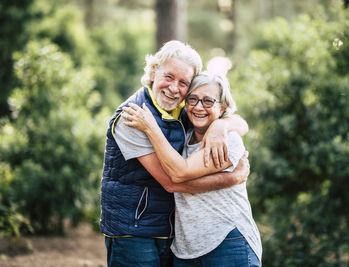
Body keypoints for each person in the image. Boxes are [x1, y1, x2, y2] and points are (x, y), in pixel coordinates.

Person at [100, 40, 250, 267]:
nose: (173, 88)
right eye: (168, 77)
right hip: (133, 231)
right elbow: (171, 180)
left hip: (169, 232)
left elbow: (237, 121)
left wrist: (222, 126)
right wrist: (230, 178)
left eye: (183, 83)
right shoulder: (133, 117)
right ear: (153, 71)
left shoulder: (183, 110)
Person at [122, 71, 262, 266]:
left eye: (207, 101)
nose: (198, 107)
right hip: (186, 252)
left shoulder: (228, 141)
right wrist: (230, 177)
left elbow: (180, 173)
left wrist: (150, 127)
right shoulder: (184, 136)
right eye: (193, 99)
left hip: (228, 241)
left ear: (222, 107)